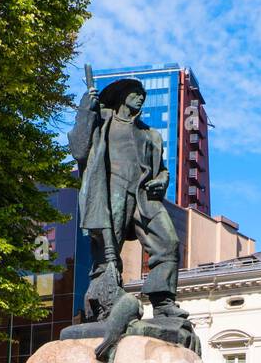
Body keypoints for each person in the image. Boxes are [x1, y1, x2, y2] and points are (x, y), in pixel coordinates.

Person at [67, 76, 185, 323]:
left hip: (143, 195)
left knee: (169, 242)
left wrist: (163, 180)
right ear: (121, 95)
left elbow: (162, 169)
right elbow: (78, 149)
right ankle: (101, 305)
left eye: (143, 94)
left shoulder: (150, 135)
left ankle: (163, 302)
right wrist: (86, 108)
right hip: (111, 191)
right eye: (135, 92)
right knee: (106, 253)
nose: (141, 97)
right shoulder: (102, 121)